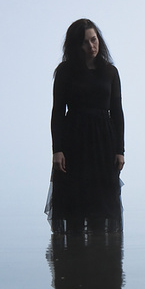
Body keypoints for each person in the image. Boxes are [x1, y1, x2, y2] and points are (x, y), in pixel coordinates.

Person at [46, 19, 125, 233]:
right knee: (74, 210)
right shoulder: (65, 72)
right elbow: (57, 112)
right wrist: (57, 150)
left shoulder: (110, 72)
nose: (91, 46)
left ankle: (101, 254)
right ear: (75, 46)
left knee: (102, 209)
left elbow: (117, 113)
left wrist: (120, 150)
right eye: (85, 42)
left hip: (103, 144)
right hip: (73, 143)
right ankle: (73, 254)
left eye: (94, 40)